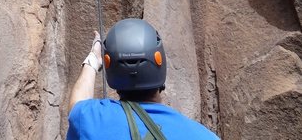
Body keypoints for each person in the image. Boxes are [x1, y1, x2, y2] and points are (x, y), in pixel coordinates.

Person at [67, 18, 219, 140]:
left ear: (110, 67)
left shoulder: (90, 120)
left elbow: (77, 102)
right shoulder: (203, 136)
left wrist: (94, 59)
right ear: (160, 63)